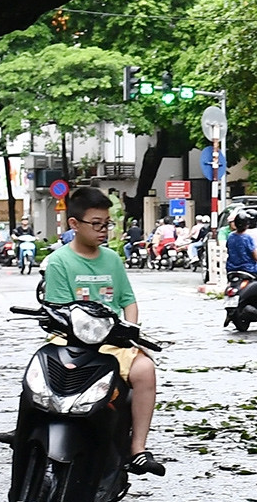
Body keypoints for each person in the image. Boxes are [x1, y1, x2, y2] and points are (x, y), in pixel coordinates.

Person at [38, 186, 164, 474]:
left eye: (106, 224)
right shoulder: (59, 261)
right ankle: (26, 431)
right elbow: (57, 309)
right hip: (67, 341)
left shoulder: (112, 260)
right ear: (74, 224)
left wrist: (131, 331)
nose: (103, 230)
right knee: (39, 373)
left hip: (111, 342)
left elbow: (127, 301)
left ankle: (138, 448)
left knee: (145, 370)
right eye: (96, 224)